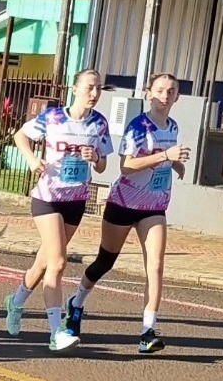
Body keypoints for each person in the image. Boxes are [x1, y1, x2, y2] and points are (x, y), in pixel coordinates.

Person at [64, 72, 186, 354]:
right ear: (149, 94)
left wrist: (176, 166)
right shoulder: (138, 126)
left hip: (154, 207)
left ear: (177, 97)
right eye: (160, 91)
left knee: (155, 265)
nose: (165, 96)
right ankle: (77, 302)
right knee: (104, 262)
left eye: (171, 91)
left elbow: (167, 159)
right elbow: (127, 166)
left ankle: (147, 331)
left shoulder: (173, 127)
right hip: (124, 203)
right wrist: (165, 157)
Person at [6, 69, 111, 352]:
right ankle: (57, 332)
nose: (94, 94)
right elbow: (20, 136)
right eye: (89, 87)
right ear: (74, 88)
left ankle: (15, 303)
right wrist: (30, 159)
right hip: (47, 198)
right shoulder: (53, 117)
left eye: (98, 88)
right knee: (59, 263)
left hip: (76, 201)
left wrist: (96, 157)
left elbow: (102, 166)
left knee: (44, 262)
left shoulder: (99, 124)